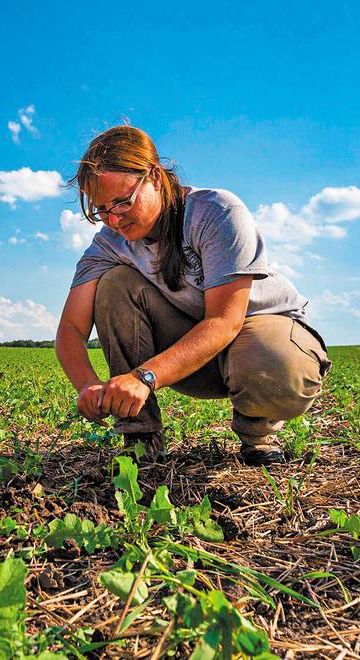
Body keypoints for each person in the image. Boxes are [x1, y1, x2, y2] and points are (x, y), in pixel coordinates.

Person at [54, 126, 331, 465]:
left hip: (256, 333)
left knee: (278, 366)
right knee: (113, 284)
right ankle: (140, 436)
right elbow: (71, 327)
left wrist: (145, 376)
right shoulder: (109, 244)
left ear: (155, 176)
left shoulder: (215, 212)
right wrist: (86, 385)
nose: (113, 218)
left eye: (123, 202)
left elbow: (225, 321)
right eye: (100, 209)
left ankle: (258, 434)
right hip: (192, 356)